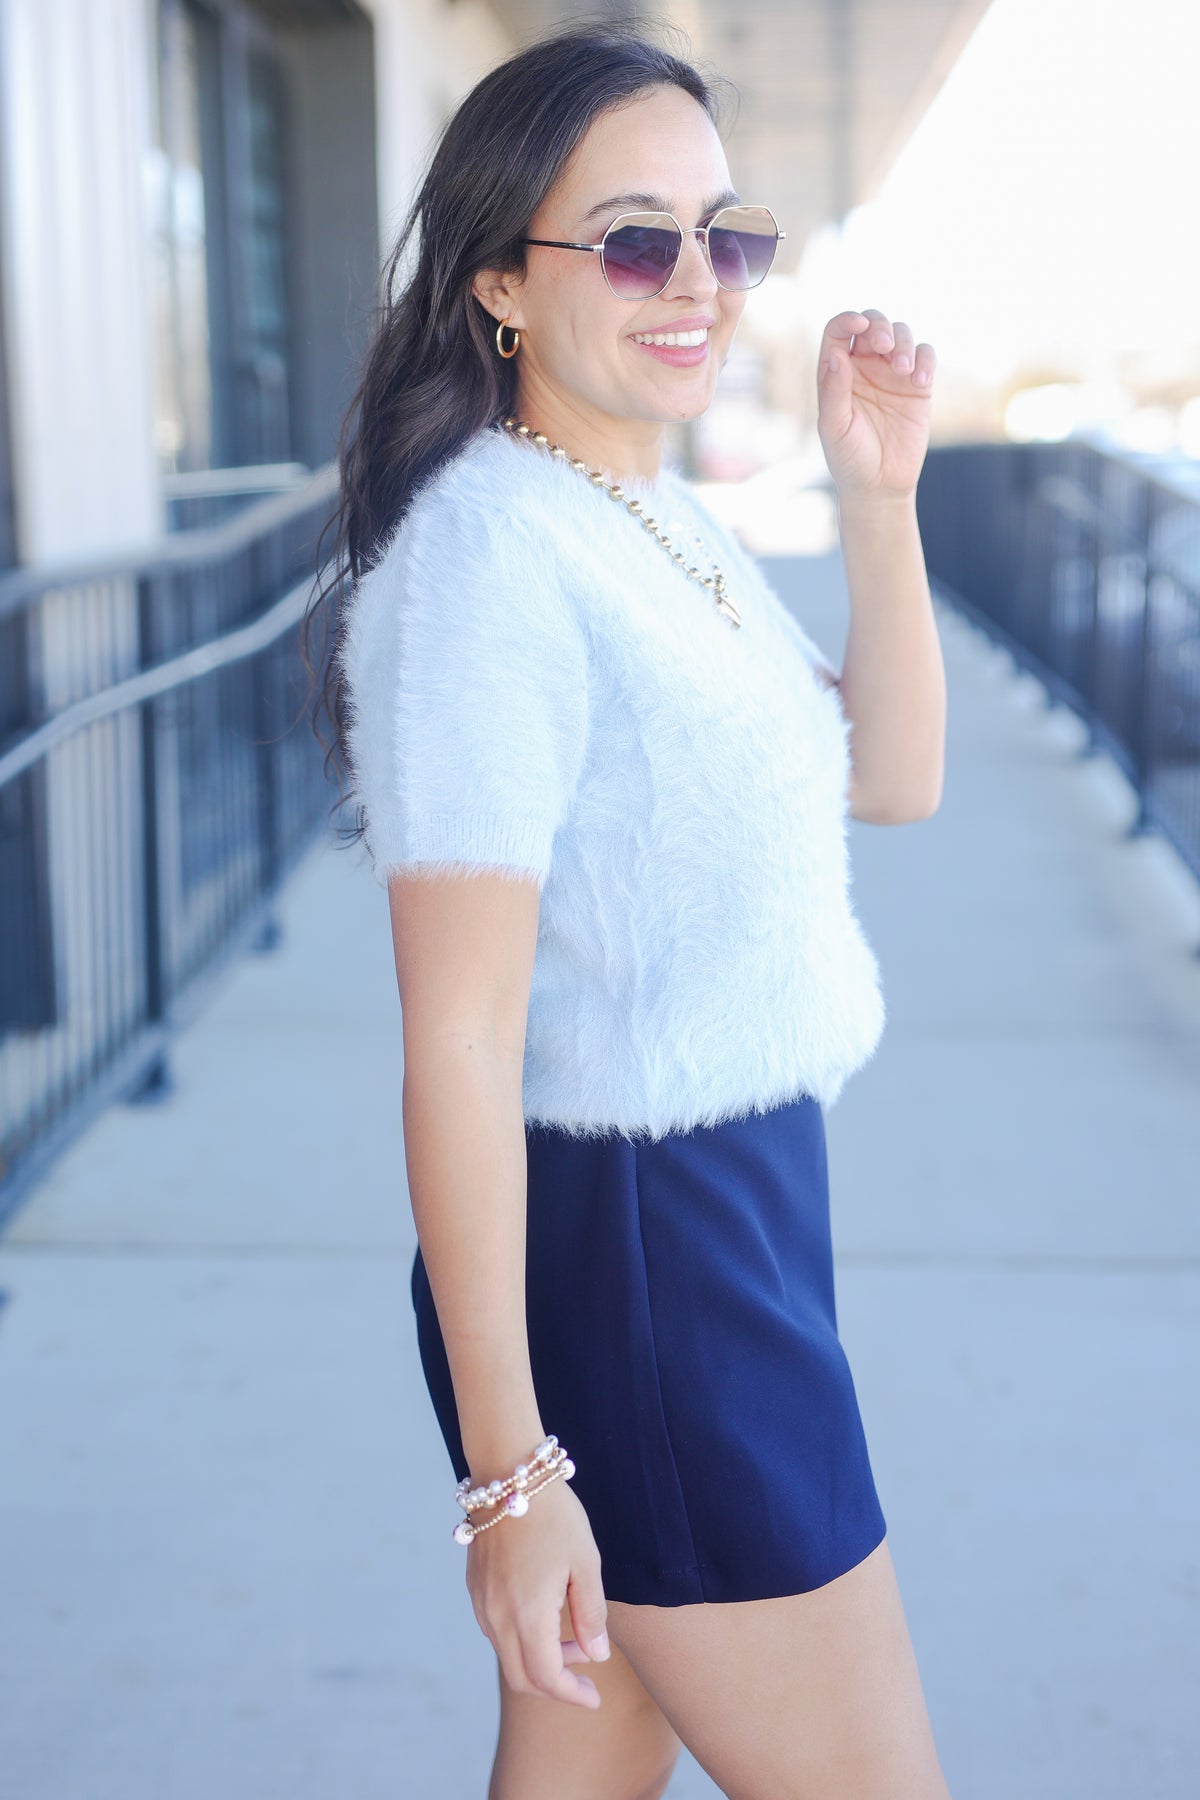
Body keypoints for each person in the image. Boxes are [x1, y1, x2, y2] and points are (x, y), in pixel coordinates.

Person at [315, 20, 949, 1799]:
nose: (698, 283)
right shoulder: (490, 565)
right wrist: (511, 1479)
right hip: (651, 1253)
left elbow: (887, 779)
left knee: (581, 1769)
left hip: (724, 1214)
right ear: (505, 283)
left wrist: (877, 499)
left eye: (722, 236)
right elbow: (457, 1031)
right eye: (636, 239)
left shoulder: (649, 524)